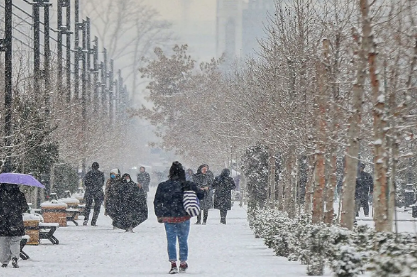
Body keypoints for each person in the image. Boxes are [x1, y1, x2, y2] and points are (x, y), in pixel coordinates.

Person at [154, 161, 204, 274]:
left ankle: (173, 264)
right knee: (183, 240)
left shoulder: (163, 185)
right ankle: (183, 263)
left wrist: (159, 214)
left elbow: (157, 201)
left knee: (171, 241)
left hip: (168, 217)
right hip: (184, 217)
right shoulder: (188, 184)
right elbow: (201, 196)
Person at [0, 184, 29, 268]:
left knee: (3, 241)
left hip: (2, 221)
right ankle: (14, 258)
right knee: (15, 241)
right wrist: (17, 210)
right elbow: (25, 207)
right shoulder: (19, 194)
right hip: (16, 221)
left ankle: (4, 261)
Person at [83, 162, 105, 226]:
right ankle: (94, 221)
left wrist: (90, 187)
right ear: (98, 167)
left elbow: (85, 183)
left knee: (88, 206)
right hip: (98, 192)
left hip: (89, 191)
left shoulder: (88, 174)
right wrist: (96, 187)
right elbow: (102, 183)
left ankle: (86, 219)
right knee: (97, 207)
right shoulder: (101, 174)